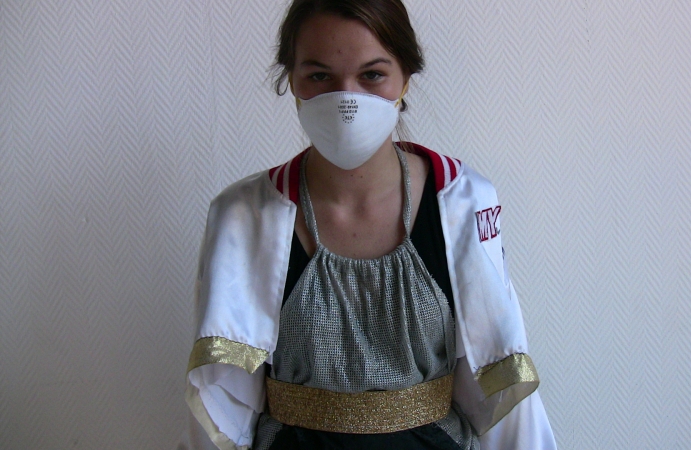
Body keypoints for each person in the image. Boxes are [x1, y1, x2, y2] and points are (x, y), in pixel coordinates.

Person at [185, 0, 556, 449]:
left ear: (406, 77)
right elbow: (223, 406)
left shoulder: (461, 202)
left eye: (372, 75)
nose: (347, 98)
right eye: (319, 76)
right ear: (292, 79)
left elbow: (497, 378)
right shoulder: (245, 217)